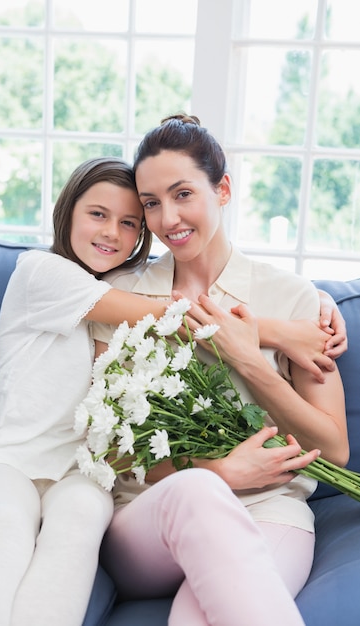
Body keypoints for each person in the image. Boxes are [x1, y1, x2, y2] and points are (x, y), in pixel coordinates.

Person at [91, 115, 349, 626]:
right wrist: (220, 473)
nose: (168, 218)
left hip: (269, 509)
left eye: (183, 193)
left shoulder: (292, 297)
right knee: (198, 490)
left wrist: (251, 359)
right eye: (151, 203)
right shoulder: (124, 296)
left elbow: (334, 449)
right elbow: (113, 449)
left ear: (223, 189)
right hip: (151, 516)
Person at [0, 157, 169, 626]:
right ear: (67, 213)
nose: (111, 232)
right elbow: (173, 312)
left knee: (79, 526)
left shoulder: (121, 290)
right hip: (6, 458)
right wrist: (280, 331)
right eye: (98, 214)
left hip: (79, 469)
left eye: (129, 223)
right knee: (5, 527)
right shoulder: (42, 272)